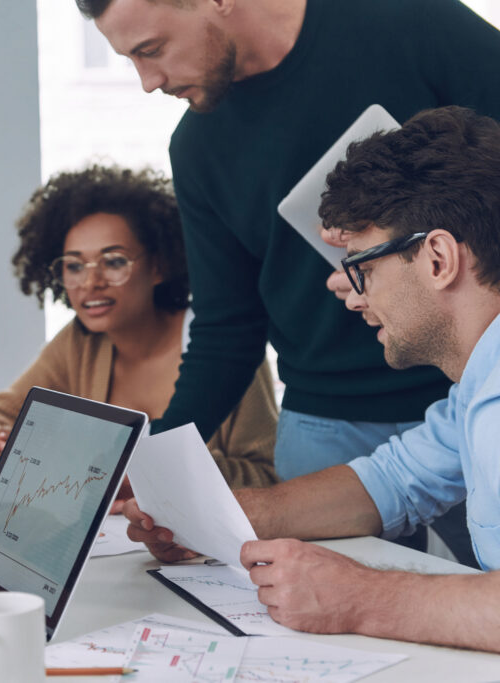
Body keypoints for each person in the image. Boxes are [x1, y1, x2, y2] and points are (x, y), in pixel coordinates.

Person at [75, 0, 500, 565]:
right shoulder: (199, 149)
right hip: (334, 416)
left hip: (465, 371)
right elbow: (227, 328)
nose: (148, 82)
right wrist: (166, 477)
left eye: (151, 50)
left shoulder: (409, 22)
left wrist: (363, 599)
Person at [125, 106, 500, 651]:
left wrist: (361, 596)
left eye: (363, 269)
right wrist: (219, 521)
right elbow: (392, 481)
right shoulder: (475, 389)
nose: (353, 295)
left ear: (438, 259)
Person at [0, 164, 278, 489]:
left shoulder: (226, 344)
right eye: (74, 266)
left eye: (113, 262)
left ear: (160, 265)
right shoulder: (80, 342)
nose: (91, 283)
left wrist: (147, 470)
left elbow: (268, 476)